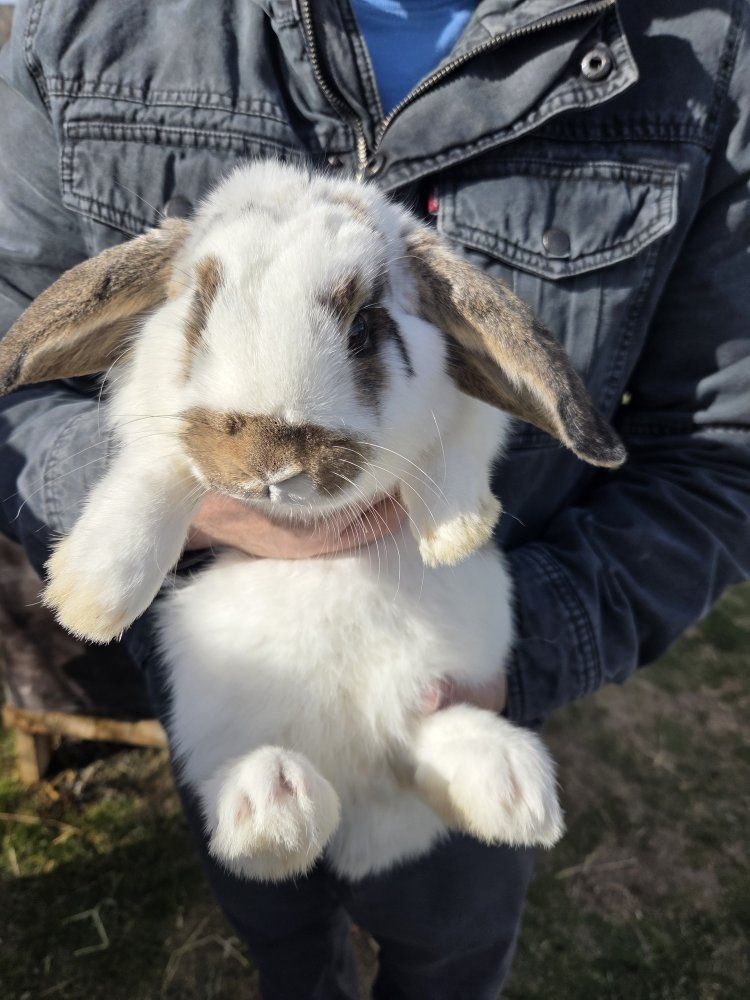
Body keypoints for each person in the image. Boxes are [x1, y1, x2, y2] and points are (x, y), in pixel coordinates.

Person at [1, 1, 749, 997]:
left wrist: (516, 658)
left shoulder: (707, 50)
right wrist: (154, 494)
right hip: (234, 663)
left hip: (448, 654)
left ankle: (445, 782)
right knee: (268, 889)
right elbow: (15, 349)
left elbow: (716, 449)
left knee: (452, 929)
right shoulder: (83, 23)